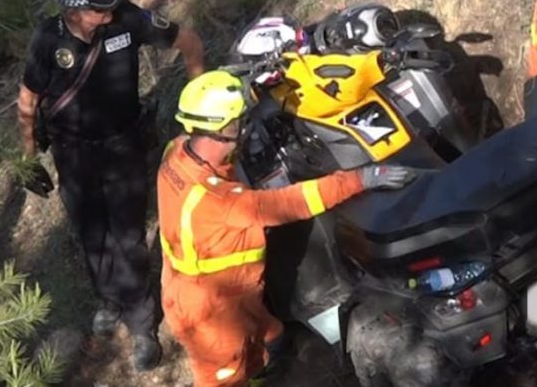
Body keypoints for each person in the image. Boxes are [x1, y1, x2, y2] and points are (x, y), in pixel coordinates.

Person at [157, 71, 418, 385]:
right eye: (239, 122)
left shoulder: (176, 151)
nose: (242, 129)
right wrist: (362, 179)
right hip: (211, 313)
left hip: (225, 294)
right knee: (225, 376)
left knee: (274, 336)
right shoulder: (220, 201)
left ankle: (262, 375)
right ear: (225, 128)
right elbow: (292, 202)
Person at [16, 0, 206, 370]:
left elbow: (189, 43)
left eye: (110, 5)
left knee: (128, 236)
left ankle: (141, 326)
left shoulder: (128, 20)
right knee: (91, 231)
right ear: (73, 12)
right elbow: (28, 99)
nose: (109, 12)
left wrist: (200, 113)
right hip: (73, 154)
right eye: (98, 8)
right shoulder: (49, 40)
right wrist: (28, 158)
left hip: (124, 148)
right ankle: (108, 296)